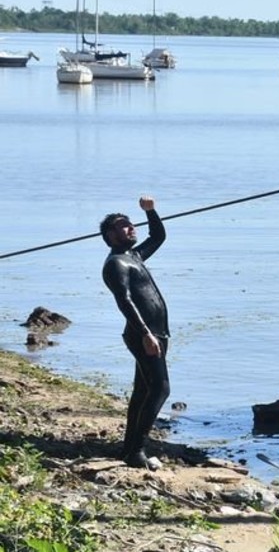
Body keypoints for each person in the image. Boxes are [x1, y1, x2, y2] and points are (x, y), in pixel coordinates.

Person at [101, 196, 170, 471]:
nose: (131, 228)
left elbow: (159, 235)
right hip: (144, 336)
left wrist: (151, 211)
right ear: (110, 235)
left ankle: (129, 449)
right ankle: (137, 450)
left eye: (131, 224)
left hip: (156, 333)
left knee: (143, 391)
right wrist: (145, 334)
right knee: (161, 388)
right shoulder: (116, 263)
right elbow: (125, 301)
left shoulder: (135, 257)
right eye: (124, 225)